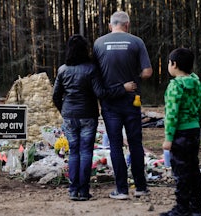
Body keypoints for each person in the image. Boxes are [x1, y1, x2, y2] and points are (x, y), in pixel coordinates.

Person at [52, 34, 136, 201]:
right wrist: (123, 88)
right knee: (85, 152)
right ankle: (83, 191)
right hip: (88, 116)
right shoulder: (91, 69)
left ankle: (72, 190)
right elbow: (101, 93)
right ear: (85, 50)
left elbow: (56, 96)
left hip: (69, 116)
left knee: (73, 153)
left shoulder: (62, 70)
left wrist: (65, 111)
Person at [93, 11, 153, 200]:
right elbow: (148, 72)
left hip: (110, 102)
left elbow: (94, 73)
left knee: (116, 146)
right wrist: (134, 79)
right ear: (127, 25)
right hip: (131, 101)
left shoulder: (98, 43)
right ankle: (141, 187)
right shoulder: (136, 42)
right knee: (135, 144)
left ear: (111, 25)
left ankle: (121, 189)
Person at [160, 48, 201, 216]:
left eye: (168, 63)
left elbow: (172, 114)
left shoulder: (175, 86)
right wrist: (197, 126)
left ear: (174, 64)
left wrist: (168, 138)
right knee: (194, 169)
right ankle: (196, 208)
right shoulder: (196, 83)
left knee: (181, 172)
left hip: (180, 133)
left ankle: (182, 208)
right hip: (193, 131)